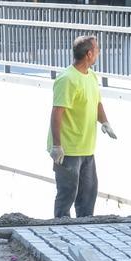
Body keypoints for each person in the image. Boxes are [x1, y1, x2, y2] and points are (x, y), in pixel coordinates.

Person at [49, 35, 116, 218]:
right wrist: (57, 146)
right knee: (67, 194)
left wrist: (105, 122)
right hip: (68, 149)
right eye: (97, 50)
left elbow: (97, 103)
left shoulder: (92, 76)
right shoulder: (67, 79)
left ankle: (85, 229)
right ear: (88, 54)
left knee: (88, 195)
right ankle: (62, 229)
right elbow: (57, 113)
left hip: (86, 147)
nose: (99, 53)